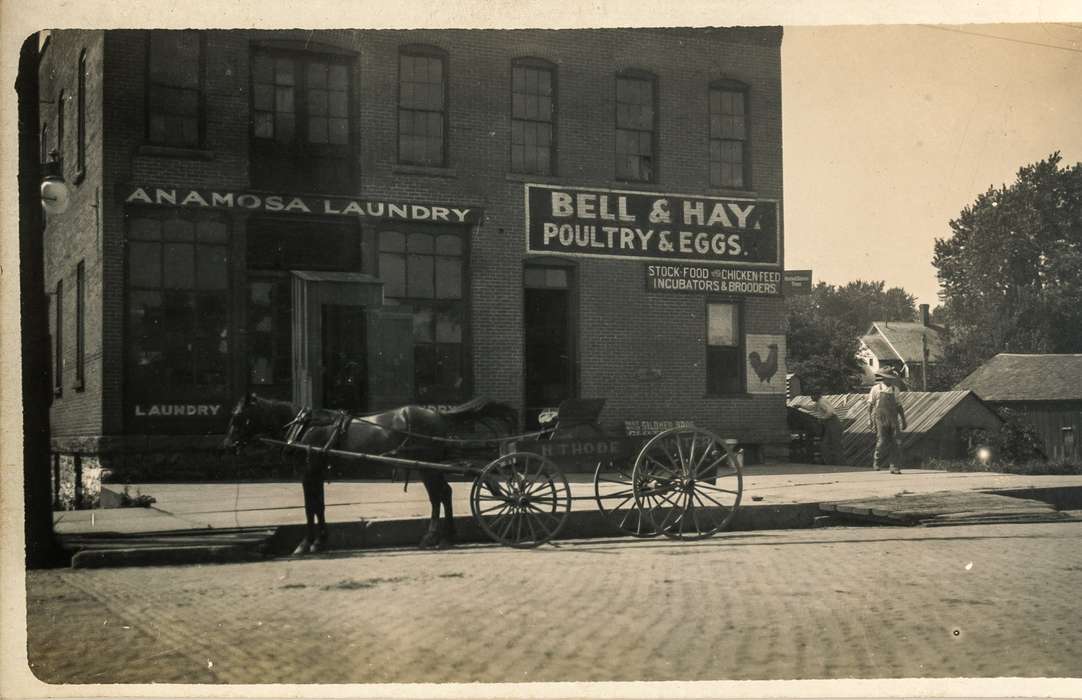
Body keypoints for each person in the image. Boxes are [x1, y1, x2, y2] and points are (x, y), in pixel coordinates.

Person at [867, 368, 907, 473]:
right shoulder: (876, 388)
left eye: (891, 379)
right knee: (882, 441)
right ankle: (877, 460)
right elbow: (870, 405)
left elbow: (899, 406)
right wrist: (869, 419)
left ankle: (894, 466)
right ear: (883, 378)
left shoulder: (895, 389)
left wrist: (903, 420)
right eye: (888, 378)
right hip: (880, 418)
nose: (889, 381)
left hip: (893, 418)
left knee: (896, 441)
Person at [808, 391, 843, 465]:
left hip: (833, 423)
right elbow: (812, 408)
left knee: (834, 444)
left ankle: (838, 463)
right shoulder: (819, 402)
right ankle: (830, 462)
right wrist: (801, 406)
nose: (811, 397)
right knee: (825, 444)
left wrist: (823, 418)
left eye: (812, 395)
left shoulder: (821, 402)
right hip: (829, 424)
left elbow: (830, 412)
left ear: (817, 395)